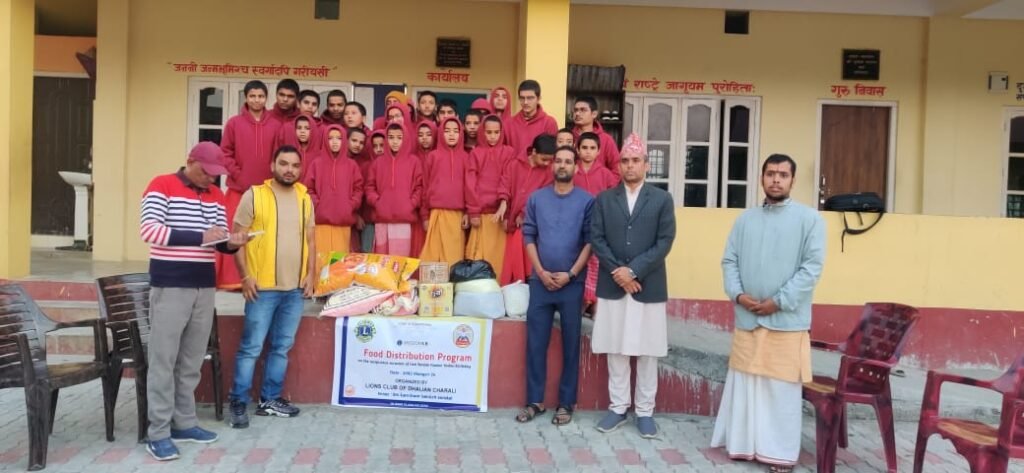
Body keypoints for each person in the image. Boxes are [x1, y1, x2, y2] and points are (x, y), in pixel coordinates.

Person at [710, 154, 826, 473]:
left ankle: (779, 454)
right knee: (747, 384)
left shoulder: (810, 220)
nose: (776, 179)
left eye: (783, 175)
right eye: (771, 173)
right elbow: (729, 261)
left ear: (793, 180)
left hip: (786, 321)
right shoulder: (745, 220)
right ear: (761, 178)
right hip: (748, 317)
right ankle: (744, 446)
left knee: (780, 389)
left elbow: (811, 268)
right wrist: (738, 295)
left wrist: (779, 301)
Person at [139, 142, 248, 461]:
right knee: (164, 360)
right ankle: (158, 432)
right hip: (171, 285)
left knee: (190, 360)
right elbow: (150, 231)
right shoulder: (161, 185)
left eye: (216, 175)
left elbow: (219, 241)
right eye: (206, 172)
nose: (211, 179)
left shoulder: (215, 195)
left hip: (204, 285)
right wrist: (199, 236)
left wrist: (234, 242)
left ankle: (184, 423)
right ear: (190, 161)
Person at [590, 133, 676, 439]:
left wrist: (634, 270)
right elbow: (597, 238)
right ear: (618, 165)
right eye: (625, 160)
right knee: (616, 348)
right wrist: (619, 272)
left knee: (647, 350)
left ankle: (645, 411)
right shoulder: (604, 199)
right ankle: (618, 407)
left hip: (647, 285)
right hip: (614, 284)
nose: (629, 165)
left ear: (646, 165)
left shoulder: (662, 199)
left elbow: (665, 241)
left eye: (635, 160)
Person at [229, 145, 316, 429]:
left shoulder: (304, 198)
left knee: (281, 347)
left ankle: (269, 400)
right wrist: (245, 277)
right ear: (273, 165)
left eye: (295, 165)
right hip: (262, 288)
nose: (289, 169)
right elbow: (237, 238)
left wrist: (311, 274)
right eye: (284, 164)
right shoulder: (254, 195)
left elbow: (311, 240)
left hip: (294, 290)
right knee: (251, 348)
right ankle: (238, 401)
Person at [515, 145, 593, 427]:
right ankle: (534, 401)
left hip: (572, 284)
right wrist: (540, 271)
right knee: (535, 343)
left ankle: (566, 403)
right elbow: (528, 236)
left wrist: (571, 274)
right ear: (552, 165)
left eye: (568, 161)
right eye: (558, 160)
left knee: (571, 344)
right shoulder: (537, 199)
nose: (562, 165)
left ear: (576, 167)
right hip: (540, 282)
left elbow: (590, 241)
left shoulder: (587, 201)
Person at [218, 80, 281, 289]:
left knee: (262, 235)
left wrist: (272, 181)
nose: (256, 100)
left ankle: (260, 277)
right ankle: (233, 280)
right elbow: (225, 153)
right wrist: (239, 176)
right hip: (238, 189)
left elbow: (278, 156)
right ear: (246, 98)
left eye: (261, 96)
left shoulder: (275, 125)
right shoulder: (234, 123)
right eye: (252, 96)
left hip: (266, 191)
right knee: (236, 233)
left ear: (266, 98)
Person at [497, 134, 556, 285]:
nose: (547, 163)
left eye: (550, 160)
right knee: (507, 259)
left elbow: (542, 196)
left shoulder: (548, 172)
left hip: (529, 222)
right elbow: (505, 184)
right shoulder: (514, 164)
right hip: (510, 220)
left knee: (524, 260)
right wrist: (504, 206)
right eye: (544, 159)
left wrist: (524, 213)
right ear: (534, 152)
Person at [305, 125, 363, 273]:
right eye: (330, 138)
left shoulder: (351, 165)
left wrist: (350, 205)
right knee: (320, 259)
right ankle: (318, 285)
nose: (335, 142)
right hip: (321, 222)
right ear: (325, 140)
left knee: (340, 262)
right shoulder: (316, 164)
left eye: (339, 138)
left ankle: (337, 286)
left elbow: (358, 189)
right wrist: (318, 204)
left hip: (343, 222)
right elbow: (308, 189)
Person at [574, 132, 620, 313]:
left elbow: (614, 200)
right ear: (577, 149)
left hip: (599, 227)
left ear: (599, 151)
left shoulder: (606, 174)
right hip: (575, 227)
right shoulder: (572, 171)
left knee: (596, 266)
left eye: (592, 148)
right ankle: (579, 305)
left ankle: (595, 306)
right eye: (584, 147)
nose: (588, 152)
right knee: (577, 264)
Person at [365, 123, 424, 256]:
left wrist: (411, 204)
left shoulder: (414, 162)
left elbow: (419, 186)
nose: (395, 141)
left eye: (399, 138)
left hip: (404, 218)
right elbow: (369, 187)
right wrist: (377, 202)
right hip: (382, 218)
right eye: (391, 137)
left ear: (405, 139)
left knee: (401, 258)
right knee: (382, 257)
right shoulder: (378, 163)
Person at [466, 115, 514, 276]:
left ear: (502, 132)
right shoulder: (476, 153)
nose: (493, 136)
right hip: (481, 215)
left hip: (500, 215)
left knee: (499, 258)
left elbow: (508, 178)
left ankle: (497, 287)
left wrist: (504, 204)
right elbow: (470, 183)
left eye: (496, 132)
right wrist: (473, 211)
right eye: (489, 132)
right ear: (482, 132)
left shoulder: (508, 152)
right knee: (477, 256)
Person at [420, 117, 470, 268]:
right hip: (436, 214)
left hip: (457, 216)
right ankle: (431, 284)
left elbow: (469, 187)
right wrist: (424, 215)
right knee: (433, 257)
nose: (451, 134)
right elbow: (425, 186)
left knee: (454, 258)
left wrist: (468, 212)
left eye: (455, 131)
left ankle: (451, 283)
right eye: (447, 131)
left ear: (461, 133)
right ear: (441, 133)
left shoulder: (466, 157)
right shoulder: (433, 156)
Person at [506, 80, 559, 160]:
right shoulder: (508, 124)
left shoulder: (549, 123)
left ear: (538, 98)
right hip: (514, 168)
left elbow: (553, 155)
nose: (525, 102)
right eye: (522, 98)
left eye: (530, 98)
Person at [572, 96, 620, 174]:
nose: (577, 113)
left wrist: (606, 180)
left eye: (583, 110)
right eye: (575, 110)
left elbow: (617, 169)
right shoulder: (569, 138)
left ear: (594, 114)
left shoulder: (606, 139)